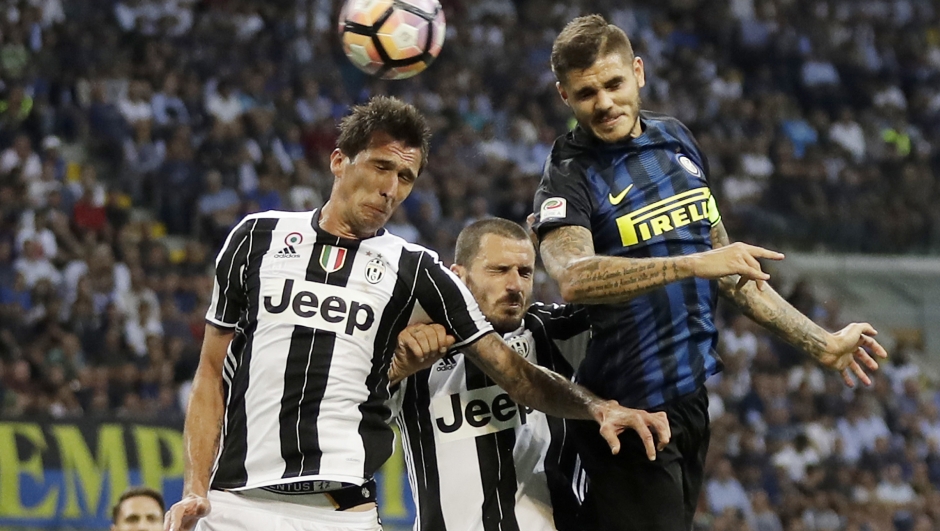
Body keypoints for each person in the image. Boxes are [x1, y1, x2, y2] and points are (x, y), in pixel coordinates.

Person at [164, 96, 669, 531]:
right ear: (339, 161)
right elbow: (211, 372)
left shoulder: (416, 270)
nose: (392, 188)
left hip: (341, 511)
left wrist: (599, 407)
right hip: (234, 502)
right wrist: (195, 486)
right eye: (382, 167)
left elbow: (513, 372)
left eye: (406, 176)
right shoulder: (258, 237)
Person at [531, 15, 888, 531]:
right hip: (627, 416)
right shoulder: (568, 174)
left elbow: (728, 268)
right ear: (565, 96)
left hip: (691, 405)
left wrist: (822, 343)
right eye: (587, 93)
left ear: (638, 71)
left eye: (614, 84)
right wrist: (692, 264)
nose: (605, 103)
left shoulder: (676, 139)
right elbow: (574, 276)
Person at [390, 218, 607, 531]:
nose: (515, 285)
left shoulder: (554, 333)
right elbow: (349, 413)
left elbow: (622, 305)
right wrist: (398, 368)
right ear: (458, 278)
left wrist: (567, 240)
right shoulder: (418, 349)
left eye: (525, 272)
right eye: (499, 270)